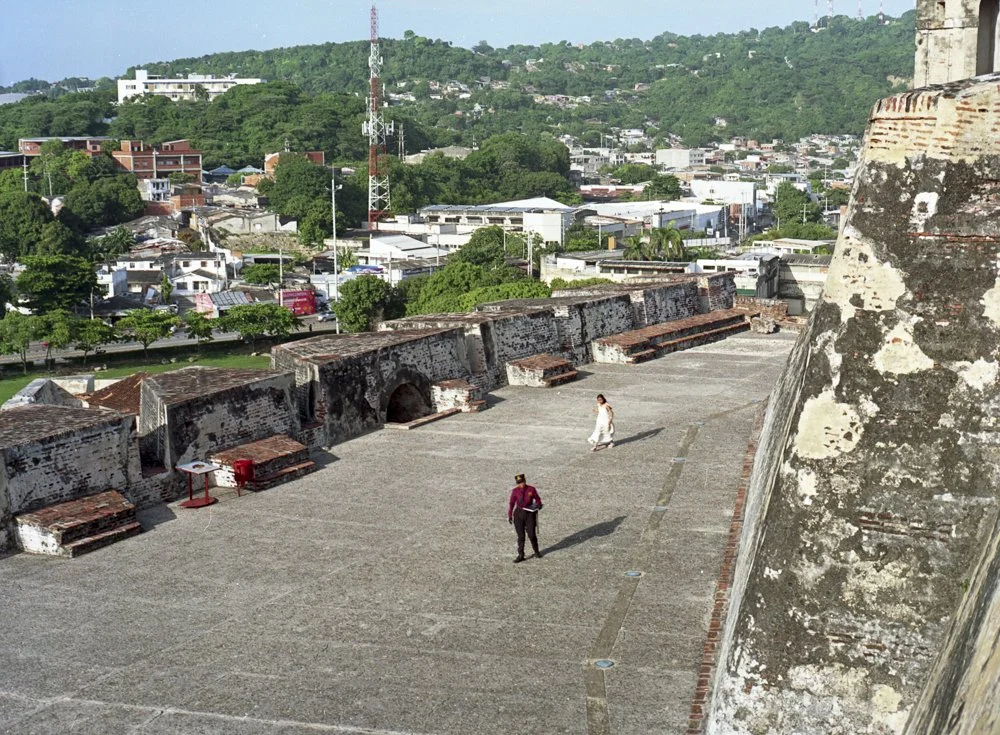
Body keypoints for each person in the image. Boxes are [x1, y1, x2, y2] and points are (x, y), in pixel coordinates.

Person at [508, 473, 543, 563]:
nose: (521, 484)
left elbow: (537, 499)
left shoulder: (531, 489)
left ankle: (536, 551)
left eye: (522, 482)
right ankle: (521, 554)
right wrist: (510, 515)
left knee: (531, 534)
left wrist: (539, 505)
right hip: (518, 514)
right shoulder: (515, 491)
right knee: (521, 536)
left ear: (525, 481)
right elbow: (511, 503)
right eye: (519, 483)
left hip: (529, 514)